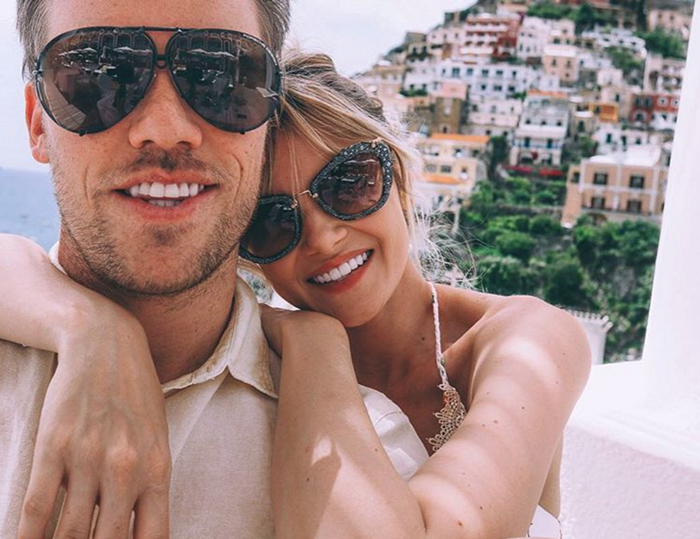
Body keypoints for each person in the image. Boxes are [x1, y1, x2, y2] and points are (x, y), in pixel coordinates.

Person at [0, 15, 590, 537]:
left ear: (399, 179)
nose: (325, 236)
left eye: (349, 183)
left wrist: (316, 345)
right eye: (272, 222)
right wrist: (91, 327)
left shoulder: (526, 339)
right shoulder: (297, 385)